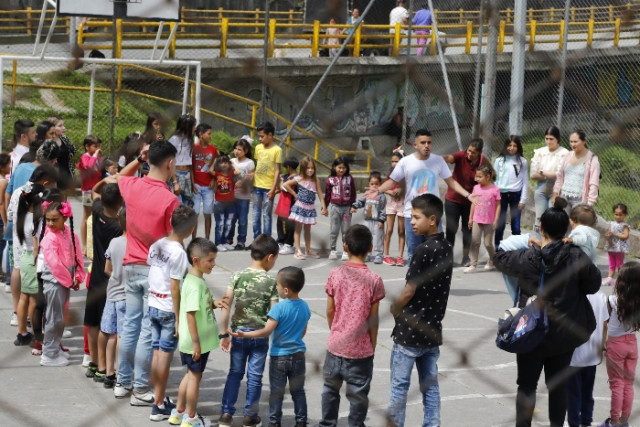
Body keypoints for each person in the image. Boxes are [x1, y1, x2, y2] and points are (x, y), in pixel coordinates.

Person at [494, 199, 601, 427]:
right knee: (558, 385)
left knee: (526, 386)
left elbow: (499, 256)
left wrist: (524, 240)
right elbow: (593, 284)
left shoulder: (528, 256)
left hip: (530, 331)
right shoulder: (575, 256)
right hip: (564, 332)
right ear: (567, 229)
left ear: (540, 228)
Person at [98, 140, 180, 403]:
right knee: (147, 328)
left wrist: (139, 158)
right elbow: (174, 239)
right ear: (170, 164)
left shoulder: (132, 185)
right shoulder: (170, 199)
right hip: (155, 270)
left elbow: (117, 178)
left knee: (130, 326)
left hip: (130, 266)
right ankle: (141, 387)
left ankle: (123, 382)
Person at [388, 194, 453, 427]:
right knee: (430, 385)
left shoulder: (422, 250)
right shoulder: (446, 246)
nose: (412, 222)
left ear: (432, 219)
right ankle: (432, 424)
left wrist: (395, 309)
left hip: (409, 332)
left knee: (399, 387)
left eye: (416, 217)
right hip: (432, 329)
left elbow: (409, 291)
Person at [370, 129, 476, 263]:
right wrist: (378, 190)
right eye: (423, 142)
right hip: (412, 214)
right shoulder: (405, 162)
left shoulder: (438, 161)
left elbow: (451, 182)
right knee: (414, 255)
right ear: (415, 145)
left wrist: (468, 195)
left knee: (436, 253)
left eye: (429, 143)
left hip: (433, 215)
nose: (426, 145)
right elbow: (392, 181)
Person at [228, 266, 311, 427]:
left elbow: (266, 330)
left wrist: (245, 335)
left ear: (285, 290)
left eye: (278, 285)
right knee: (298, 391)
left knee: (277, 391)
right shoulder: (305, 306)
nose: (276, 288)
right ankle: (301, 421)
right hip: (298, 354)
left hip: (279, 355)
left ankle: (275, 422)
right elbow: (303, 331)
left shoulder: (278, 308)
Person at [320, 224, 385, 427]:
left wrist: (336, 330)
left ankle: (327, 423)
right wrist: (372, 344)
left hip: (336, 344)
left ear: (345, 247)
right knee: (358, 395)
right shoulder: (374, 280)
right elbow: (373, 319)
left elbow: (330, 310)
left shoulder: (336, 274)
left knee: (330, 391)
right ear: (371, 247)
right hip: (361, 350)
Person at [218, 234, 280, 427]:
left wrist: (224, 332)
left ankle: (226, 414)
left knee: (235, 373)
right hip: (259, 335)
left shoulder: (237, 275)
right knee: (254, 377)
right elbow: (274, 311)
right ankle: (249, 416)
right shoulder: (271, 282)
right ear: (269, 257)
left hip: (238, 334)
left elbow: (226, 304)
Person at [169, 238, 227, 427]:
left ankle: (178, 412)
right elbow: (191, 314)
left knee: (189, 375)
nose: (213, 264)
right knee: (195, 377)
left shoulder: (195, 280)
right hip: (196, 341)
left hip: (194, 340)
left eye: (214, 259)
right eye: (209, 260)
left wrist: (213, 304)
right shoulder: (194, 285)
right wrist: (196, 343)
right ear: (196, 260)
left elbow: (199, 306)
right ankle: (191, 417)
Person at [148, 205, 197, 421]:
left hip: (153, 302)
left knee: (157, 352)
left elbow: (153, 266)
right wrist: (179, 319)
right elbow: (175, 286)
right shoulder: (179, 253)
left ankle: (157, 398)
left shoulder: (159, 243)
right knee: (165, 358)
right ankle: (158, 405)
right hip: (168, 308)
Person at [7, 164, 58, 329]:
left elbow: (9, 216)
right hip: (37, 254)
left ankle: (20, 322)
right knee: (37, 297)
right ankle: (40, 330)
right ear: (45, 182)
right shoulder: (42, 196)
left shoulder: (17, 192)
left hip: (20, 246)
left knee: (24, 293)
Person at [83, 183, 123, 381]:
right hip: (110, 280)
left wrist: (113, 177)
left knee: (92, 322)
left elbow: (94, 191)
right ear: (121, 202)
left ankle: (94, 363)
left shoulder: (97, 211)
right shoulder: (118, 227)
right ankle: (105, 367)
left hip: (95, 275)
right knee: (108, 327)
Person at [40, 200, 85, 367]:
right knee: (54, 318)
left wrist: (79, 277)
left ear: (64, 218)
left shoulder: (71, 234)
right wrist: (70, 280)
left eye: (54, 219)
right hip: (54, 283)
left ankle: (55, 348)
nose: (50, 223)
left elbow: (78, 258)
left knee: (60, 317)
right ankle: (49, 354)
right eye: (48, 219)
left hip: (65, 283)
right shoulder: (48, 239)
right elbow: (55, 265)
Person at [597, 261, 640, 427]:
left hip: (616, 344)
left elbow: (605, 324)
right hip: (632, 344)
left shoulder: (613, 300)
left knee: (616, 384)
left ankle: (613, 421)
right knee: (628, 383)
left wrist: (602, 346)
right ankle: (624, 420)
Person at [443, 138, 489, 266]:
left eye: (473, 152)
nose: (469, 154)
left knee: (467, 230)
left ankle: (465, 257)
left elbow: (490, 174)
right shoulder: (460, 156)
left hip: (470, 202)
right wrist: (440, 158)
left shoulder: (482, 161)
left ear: (479, 153)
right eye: (468, 150)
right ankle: (449, 256)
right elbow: (449, 158)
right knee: (451, 229)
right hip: (453, 199)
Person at [30, 188, 64, 356]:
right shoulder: (47, 219)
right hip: (48, 268)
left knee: (49, 305)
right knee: (46, 305)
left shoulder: (46, 218)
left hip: (50, 267)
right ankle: (42, 341)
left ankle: (47, 341)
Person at [567, 288, 608, 427]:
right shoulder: (601, 295)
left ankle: (573, 422)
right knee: (587, 392)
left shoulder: (570, 292)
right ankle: (586, 421)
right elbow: (604, 325)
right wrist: (601, 347)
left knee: (573, 394)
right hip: (592, 353)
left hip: (573, 354)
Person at [12, 182, 47, 346]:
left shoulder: (22, 216)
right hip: (33, 260)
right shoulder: (36, 221)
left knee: (23, 298)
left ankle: (22, 333)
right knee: (34, 300)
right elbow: (36, 247)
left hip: (24, 258)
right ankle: (35, 334)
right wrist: (37, 266)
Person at [98, 206, 127, 388]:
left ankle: (109, 372)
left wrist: (116, 276)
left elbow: (107, 269)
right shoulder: (138, 245)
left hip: (112, 294)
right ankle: (119, 371)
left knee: (111, 334)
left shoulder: (114, 242)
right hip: (127, 296)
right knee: (122, 337)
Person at [282, 156, 327, 260]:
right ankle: (298, 250)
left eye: (312, 168)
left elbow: (320, 194)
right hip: (300, 207)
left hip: (310, 208)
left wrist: (323, 207)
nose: (310, 170)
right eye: (308, 168)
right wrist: (294, 194)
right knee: (298, 229)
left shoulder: (316, 180)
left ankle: (308, 249)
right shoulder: (299, 178)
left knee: (308, 230)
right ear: (303, 168)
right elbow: (285, 184)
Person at [530, 126, 569, 236]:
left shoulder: (564, 153)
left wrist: (542, 172)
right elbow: (533, 174)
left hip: (556, 189)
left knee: (552, 218)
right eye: (546, 138)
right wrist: (549, 174)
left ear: (558, 139)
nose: (548, 141)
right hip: (541, 188)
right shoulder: (540, 152)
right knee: (539, 217)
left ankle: (551, 244)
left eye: (551, 139)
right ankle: (538, 242)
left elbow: (560, 174)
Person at [493, 135, 528, 248]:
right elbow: (494, 180)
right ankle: (498, 250)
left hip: (516, 195)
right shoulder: (499, 161)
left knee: (516, 226)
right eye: (509, 145)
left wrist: (523, 199)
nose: (512, 148)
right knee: (500, 225)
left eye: (515, 146)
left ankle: (516, 252)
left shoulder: (522, 161)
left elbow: (525, 182)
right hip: (501, 196)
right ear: (506, 146)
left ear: (518, 147)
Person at [552, 130, 600, 211]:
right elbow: (560, 177)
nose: (572, 144)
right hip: (563, 197)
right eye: (571, 141)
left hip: (579, 200)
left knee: (577, 223)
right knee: (563, 223)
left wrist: (589, 203)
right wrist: (555, 193)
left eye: (575, 141)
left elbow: (594, 183)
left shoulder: (592, 159)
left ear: (584, 141)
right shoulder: (568, 155)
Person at [464, 165, 500, 273]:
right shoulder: (476, 188)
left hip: (489, 220)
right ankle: (473, 264)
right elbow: (473, 204)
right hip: (477, 219)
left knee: (488, 243)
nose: (477, 179)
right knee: (475, 242)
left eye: (480, 177)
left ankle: (492, 260)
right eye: (476, 176)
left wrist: (496, 220)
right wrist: (470, 218)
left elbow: (498, 205)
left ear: (488, 177)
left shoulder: (495, 189)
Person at [252, 122, 282, 239]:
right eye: (258, 136)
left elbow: (277, 171)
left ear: (270, 135)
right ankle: (257, 240)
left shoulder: (277, 150)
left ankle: (267, 241)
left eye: (262, 136)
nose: (260, 139)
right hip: (256, 187)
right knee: (255, 214)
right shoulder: (258, 148)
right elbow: (257, 166)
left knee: (266, 215)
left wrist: (273, 189)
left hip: (268, 188)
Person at [325, 156, 356, 262]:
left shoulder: (349, 178)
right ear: (334, 167)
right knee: (334, 230)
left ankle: (345, 250)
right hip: (335, 208)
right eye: (339, 167)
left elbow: (353, 193)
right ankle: (332, 250)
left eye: (343, 168)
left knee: (346, 231)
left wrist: (353, 205)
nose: (341, 170)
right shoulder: (330, 179)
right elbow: (328, 194)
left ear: (346, 168)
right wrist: (324, 207)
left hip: (347, 209)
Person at [351, 171, 386, 264]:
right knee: (367, 237)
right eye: (372, 184)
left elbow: (383, 209)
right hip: (367, 220)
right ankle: (368, 254)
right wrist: (354, 206)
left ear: (380, 184)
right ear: (369, 184)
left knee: (378, 237)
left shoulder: (381, 196)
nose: (374, 186)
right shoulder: (367, 194)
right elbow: (361, 202)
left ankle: (378, 255)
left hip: (377, 220)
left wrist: (381, 220)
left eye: (377, 184)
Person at [77, 134, 103, 255]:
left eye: (98, 146)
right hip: (88, 191)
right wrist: (96, 155)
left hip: (97, 191)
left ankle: (94, 243)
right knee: (87, 216)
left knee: (97, 216)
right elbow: (89, 166)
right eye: (95, 146)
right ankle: (84, 245)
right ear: (87, 147)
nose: (97, 148)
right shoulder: (85, 157)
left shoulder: (97, 158)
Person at [192, 123, 218, 240]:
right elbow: (190, 167)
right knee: (195, 213)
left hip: (208, 187)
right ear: (201, 134)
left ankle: (207, 238)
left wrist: (213, 179)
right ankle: (194, 239)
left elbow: (215, 166)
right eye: (209, 134)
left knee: (208, 214)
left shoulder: (213, 149)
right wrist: (192, 183)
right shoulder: (193, 148)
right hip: (196, 185)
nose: (211, 136)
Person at [228, 137, 255, 250]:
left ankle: (241, 241)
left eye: (239, 149)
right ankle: (228, 239)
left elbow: (251, 176)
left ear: (246, 151)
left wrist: (242, 181)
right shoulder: (232, 161)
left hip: (243, 196)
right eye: (235, 149)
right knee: (231, 219)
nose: (236, 151)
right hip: (231, 196)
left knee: (242, 220)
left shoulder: (249, 163)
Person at [382, 150, 406, 266]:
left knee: (401, 230)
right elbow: (384, 187)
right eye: (392, 161)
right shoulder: (390, 174)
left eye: (397, 161)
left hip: (403, 203)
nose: (394, 164)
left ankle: (400, 256)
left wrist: (402, 190)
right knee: (389, 229)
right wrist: (390, 192)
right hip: (391, 202)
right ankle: (386, 255)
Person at [169, 114, 197, 207]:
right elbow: (170, 162)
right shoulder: (173, 140)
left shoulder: (189, 140)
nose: (195, 128)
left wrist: (193, 183)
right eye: (193, 126)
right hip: (176, 174)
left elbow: (190, 164)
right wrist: (175, 182)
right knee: (177, 205)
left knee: (187, 205)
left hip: (187, 175)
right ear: (187, 127)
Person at [212, 154, 236, 252]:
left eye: (225, 162)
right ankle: (218, 243)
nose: (224, 165)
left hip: (230, 203)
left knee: (228, 224)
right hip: (219, 203)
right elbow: (210, 171)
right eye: (221, 162)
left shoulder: (231, 173)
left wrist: (232, 161)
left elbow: (238, 171)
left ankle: (225, 242)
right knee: (220, 224)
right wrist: (214, 160)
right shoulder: (217, 173)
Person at [275, 156, 299, 255]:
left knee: (290, 224)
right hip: (282, 203)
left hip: (291, 204)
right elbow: (280, 188)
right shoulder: (286, 176)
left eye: (286, 167)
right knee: (280, 223)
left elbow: (284, 187)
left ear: (288, 167)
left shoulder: (296, 178)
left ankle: (289, 244)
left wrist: (281, 183)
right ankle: (281, 241)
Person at [47, 115, 77, 194]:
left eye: (63, 125)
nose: (63, 128)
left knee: (65, 202)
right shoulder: (47, 142)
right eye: (60, 126)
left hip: (67, 175)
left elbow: (73, 150)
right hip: (53, 178)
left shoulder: (64, 139)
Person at [602, 203, 630, 286]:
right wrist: (607, 236)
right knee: (611, 264)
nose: (618, 216)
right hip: (611, 247)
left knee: (619, 265)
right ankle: (609, 279)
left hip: (619, 248)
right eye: (616, 214)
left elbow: (626, 236)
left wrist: (615, 234)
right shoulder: (611, 224)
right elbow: (608, 234)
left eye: (620, 215)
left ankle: (621, 280)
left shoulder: (625, 226)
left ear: (625, 215)